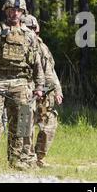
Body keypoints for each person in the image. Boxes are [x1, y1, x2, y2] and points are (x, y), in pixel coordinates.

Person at [0, 0, 45, 170]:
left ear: (23, 13)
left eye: (18, 11)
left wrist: (39, 87)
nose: (14, 13)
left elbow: (37, 63)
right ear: (6, 10)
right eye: (11, 10)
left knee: (21, 125)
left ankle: (15, 160)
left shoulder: (29, 35)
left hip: (21, 84)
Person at [21, 14, 63, 168]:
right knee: (25, 126)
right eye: (30, 28)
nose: (34, 32)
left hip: (45, 94)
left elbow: (51, 70)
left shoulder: (42, 46)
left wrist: (57, 90)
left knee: (49, 125)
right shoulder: (22, 46)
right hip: (27, 92)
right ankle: (25, 158)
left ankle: (39, 158)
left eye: (35, 29)